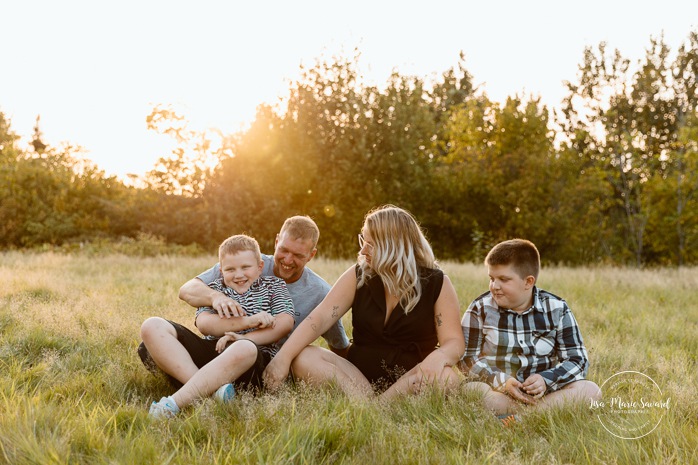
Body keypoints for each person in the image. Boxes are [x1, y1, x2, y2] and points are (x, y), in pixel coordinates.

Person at [263, 205, 465, 399]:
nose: (362, 251)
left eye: (370, 245)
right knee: (304, 356)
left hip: (411, 379)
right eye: (363, 241)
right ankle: (370, 405)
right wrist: (284, 357)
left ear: (392, 247)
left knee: (448, 378)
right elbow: (321, 317)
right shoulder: (358, 275)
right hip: (357, 378)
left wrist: (438, 358)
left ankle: (375, 408)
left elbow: (454, 342)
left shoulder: (437, 283)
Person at [138, 215, 350, 389]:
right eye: (283, 250)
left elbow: (338, 344)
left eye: (297, 255)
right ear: (276, 241)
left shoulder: (320, 292)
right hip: (218, 347)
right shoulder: (244, 261)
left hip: (256, 359)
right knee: (148, 346)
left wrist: (243, 338)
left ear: (311, 255)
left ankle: (196, 388)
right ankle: (208, 390)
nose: (287, 260)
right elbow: (187, 291)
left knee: (242, 352)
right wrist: (216, 297)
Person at [147, 234, 295, 418]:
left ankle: (172, 404)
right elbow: (204, 324)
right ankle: (212, 392)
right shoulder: (215, 289)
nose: (239, 274)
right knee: (152, 326)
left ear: (259, 267)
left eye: (246, 267)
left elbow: (285, 322)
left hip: (251, 360)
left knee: (244, 348)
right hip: (215, 350)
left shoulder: (274, 286)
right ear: (221, 270)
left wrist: (243, 338)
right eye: (230, 269)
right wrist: (248, 321)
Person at [458, 238, 601, 420]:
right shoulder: (480, 309)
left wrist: (546, 379)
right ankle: (533, 414)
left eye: (504, 279)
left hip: (545, 393)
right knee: (471, 390)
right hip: (498, 391)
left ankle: (521, 417)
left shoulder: (556, 309)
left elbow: (577, 359)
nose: (495, 286)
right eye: (492, 279)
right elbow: (466, 358)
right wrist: (501, 381)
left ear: (528, 282)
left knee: (590, 391)